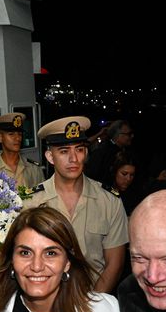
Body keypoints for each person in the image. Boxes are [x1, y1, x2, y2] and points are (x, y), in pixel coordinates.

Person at [23, 116, 128, 294]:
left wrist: (92, 306)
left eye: (79, 150)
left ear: (86, 154)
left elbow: (115, 264)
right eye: (64, 151)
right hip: (45, 301)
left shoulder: (109, 201)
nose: (73, 158)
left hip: (94, 299)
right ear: (50, 156)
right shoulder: (30, 203)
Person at [0, 112, 44, 189]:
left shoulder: (33, 168)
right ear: (0, 137)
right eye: (11, 134)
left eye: (19, 134)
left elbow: (42, 197)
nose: (17, 138)